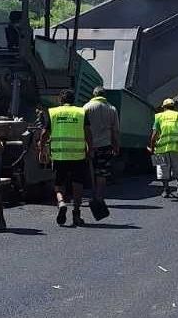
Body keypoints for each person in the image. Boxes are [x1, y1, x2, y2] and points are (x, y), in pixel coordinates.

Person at [40, 89, 89, 226]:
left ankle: (61, 202)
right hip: (78, 155)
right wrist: (89, 149)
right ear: (74, 100)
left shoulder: (53, 112)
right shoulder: (81, 112)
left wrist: (41, 149)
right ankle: (77, 213)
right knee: (77, 184)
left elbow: (44, 133)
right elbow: (88, 133)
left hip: (59, 155)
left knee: (58, 184)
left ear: (60, 100)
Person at [83, 86, 120, 210]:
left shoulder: (86, 107)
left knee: (88, 171)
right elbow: (115, 131)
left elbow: (82, 128)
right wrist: (116, 146)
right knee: (102, 173)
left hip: (88, 145)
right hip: (105, 145)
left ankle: (90, 195)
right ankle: (99, 197)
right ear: (104, 95)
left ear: (93, 95)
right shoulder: (111, 108)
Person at [148, 98, 178, 198]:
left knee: (162, 168)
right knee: (177, 167)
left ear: (164, 107)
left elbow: (154, 136)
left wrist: (152, 149)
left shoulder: (159, 116)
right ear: (174, 107)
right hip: (177, 147)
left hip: (160, 148)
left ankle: (166, 190)